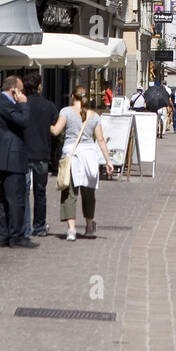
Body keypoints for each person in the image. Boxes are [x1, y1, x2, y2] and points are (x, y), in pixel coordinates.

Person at [51, 87, 115, 238]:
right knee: (88, 192)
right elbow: (100, 139)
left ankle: (71, 229)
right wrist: (108, 160)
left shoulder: (66, 111)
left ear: (73, 96)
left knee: (70, 192)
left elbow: (56, 131)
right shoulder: (94, 115)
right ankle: (89, 225)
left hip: (72, 154)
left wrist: (48, 126)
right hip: (89, 155)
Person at [0, 75, 36, 248]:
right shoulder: (6, 104)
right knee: (16, 198)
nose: (23, 94)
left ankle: (4, 235)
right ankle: (16, 236)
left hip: (3, 156)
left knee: (5, 199)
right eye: (21, 90)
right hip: (12, 157)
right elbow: (23, 121)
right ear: (13, 90)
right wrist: (23, 104)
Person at [22, 70, 58, 237]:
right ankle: (39, 226)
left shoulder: (22, 105)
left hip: (23, 153)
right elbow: (55, 130)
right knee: (40, 192)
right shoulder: (49, 106)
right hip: (42, 153)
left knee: (23, 192)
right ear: (39, 86)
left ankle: (25, 227)